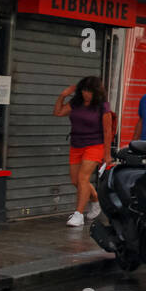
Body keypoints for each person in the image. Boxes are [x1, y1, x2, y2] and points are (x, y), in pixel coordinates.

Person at [54, 76, 113, 227]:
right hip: (76, 145)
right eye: (84, 90)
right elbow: (58, 113)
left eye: (90, 91)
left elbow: (107, 131)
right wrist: (63, 95)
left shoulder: (102, 106)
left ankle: (78, 214)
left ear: (96, 92)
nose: (86, 94)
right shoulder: (76, 102)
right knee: (76, 180)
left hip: (94, 145)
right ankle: (95, 198)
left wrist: (107, 154)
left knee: (83, 178)